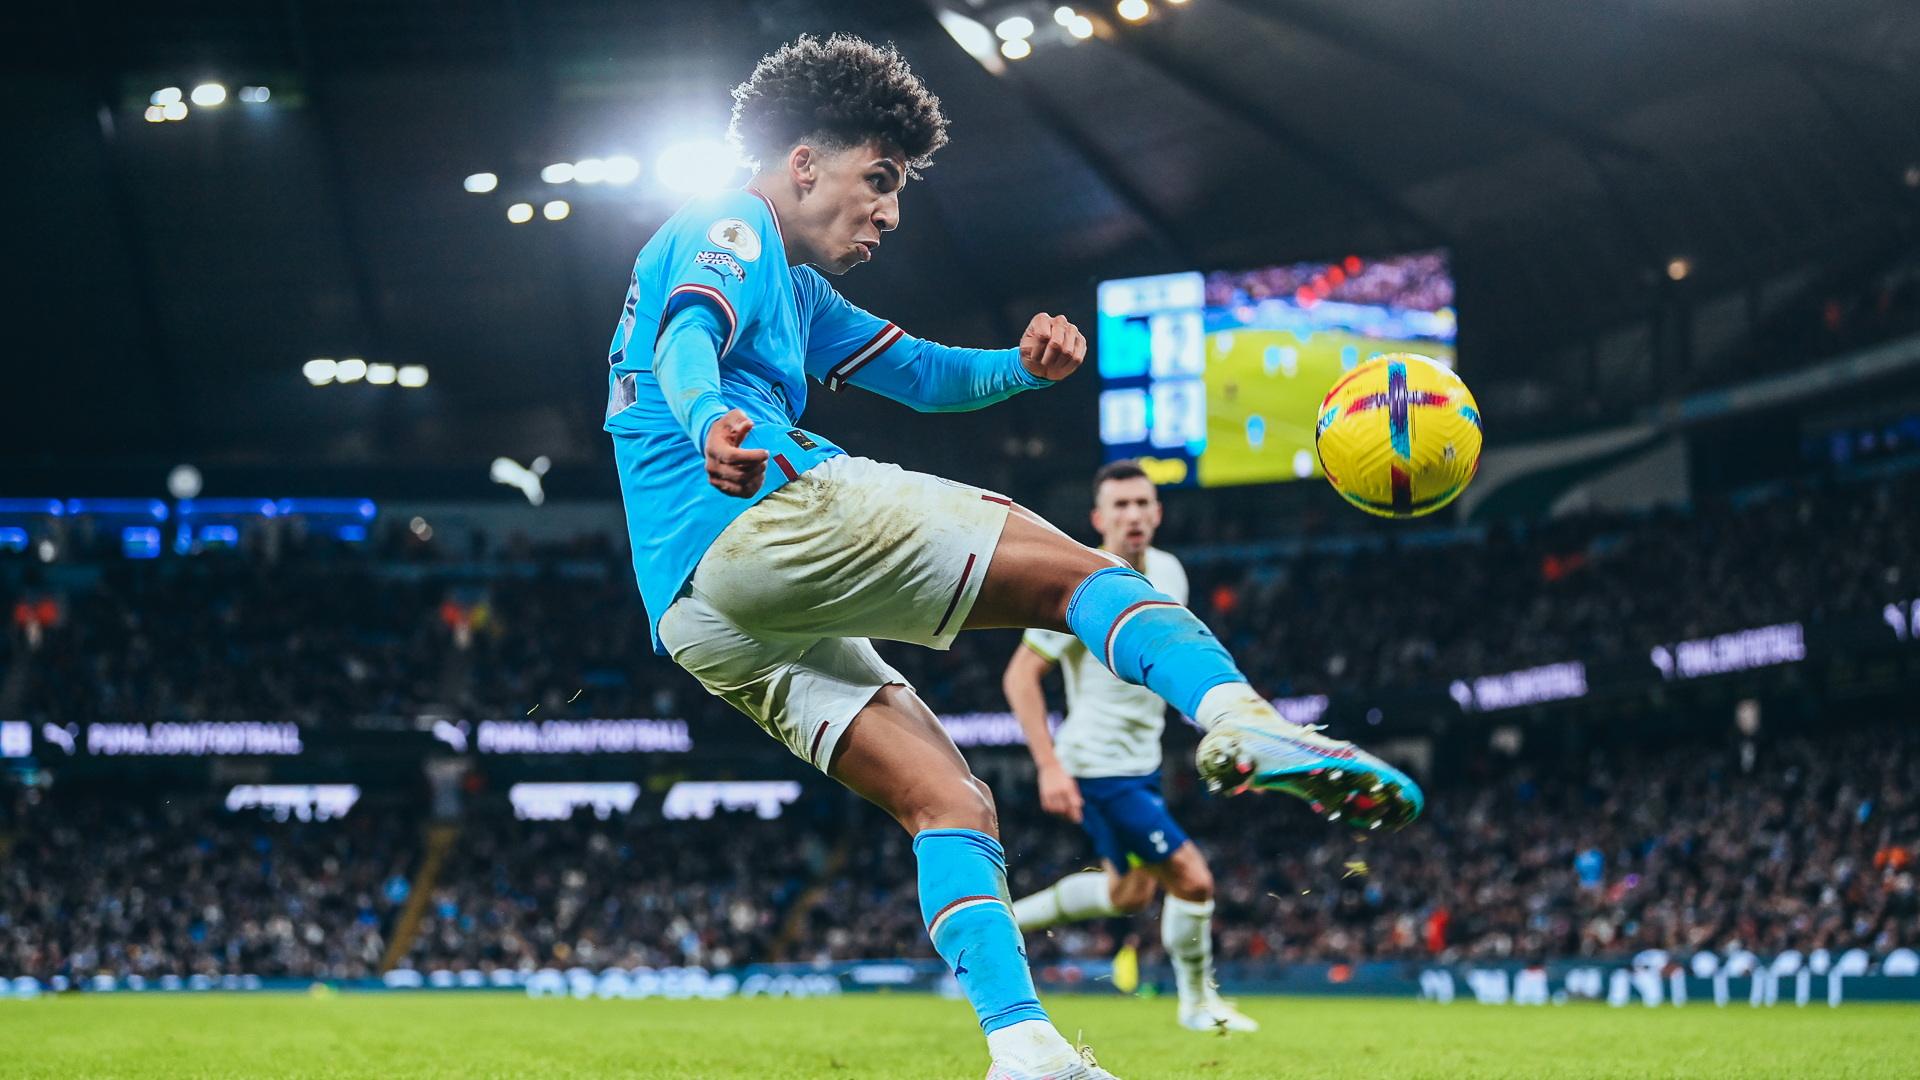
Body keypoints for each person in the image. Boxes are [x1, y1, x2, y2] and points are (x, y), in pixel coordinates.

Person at [603, 34, 1421, 1080]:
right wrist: (710, 417)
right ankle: (1242, 720)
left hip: (694, 607)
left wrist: (1023, 369)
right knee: (1086, 577)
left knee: (949, 803)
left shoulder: (796, 293)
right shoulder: (733, 224)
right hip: (761, 511)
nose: (890, 213)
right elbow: (686, 336)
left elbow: (923, 374)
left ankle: (1024, 1049)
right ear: (803, 162)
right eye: (879, 180)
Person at [1004, 461, 1255, 1033]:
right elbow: (1020, 678)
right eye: (1120, 506)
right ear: (1099, 519)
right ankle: (1197, 1005)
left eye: (1142, 503)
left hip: (1142, 762)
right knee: (1193, 879)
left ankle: (1004, 920)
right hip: (1097, 766)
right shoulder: (1078, 581)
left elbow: (1172, 660)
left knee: (1129, 893)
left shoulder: (1170, 573)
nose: (1133, 515)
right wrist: (1048, 766)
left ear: (1158, 513)